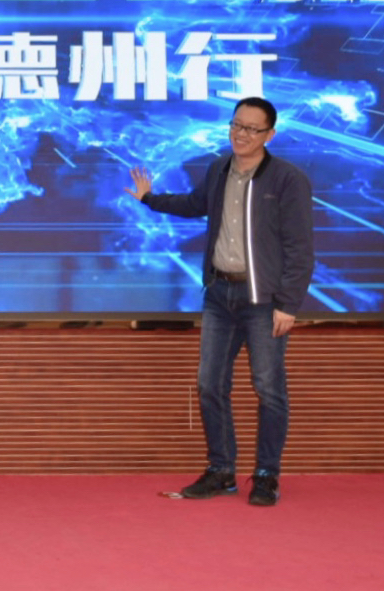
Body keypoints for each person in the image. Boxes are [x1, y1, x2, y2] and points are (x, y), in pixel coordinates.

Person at [126, 97, 314, 506]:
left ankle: (266, 475)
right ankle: (221, 470)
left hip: (264, 300)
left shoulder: (288, 179)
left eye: (252, 129)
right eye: (236, 125)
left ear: (269, 135)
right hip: (218, 295)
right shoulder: (219, 169)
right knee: (210, 384)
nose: (241, 134)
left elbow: (300, 247)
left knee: (268, 388)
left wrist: (289, 304)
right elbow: (195, 205)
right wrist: (150, 199)